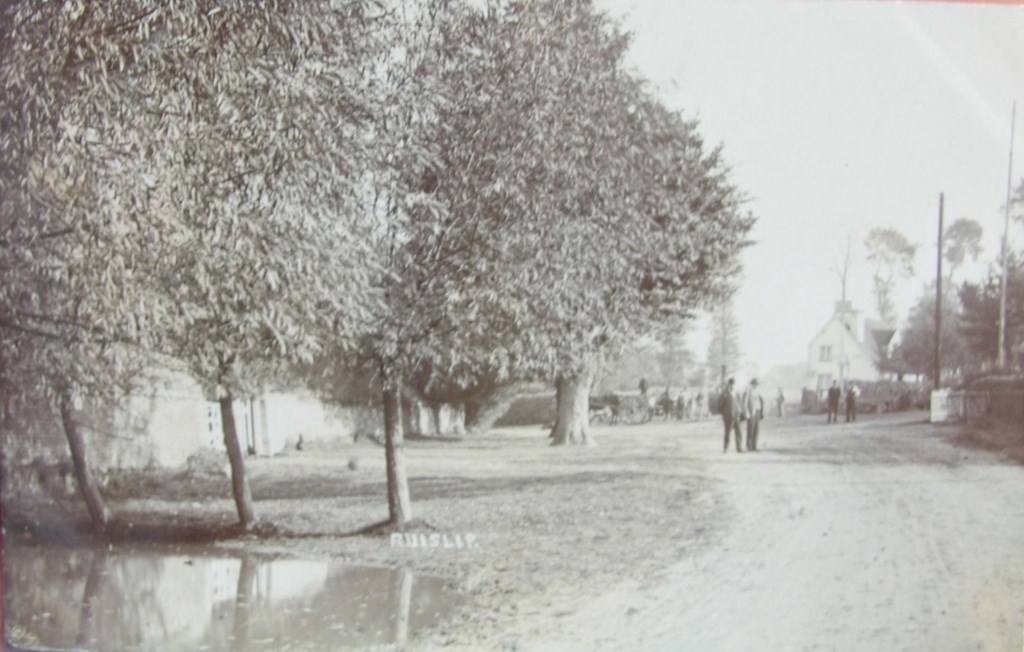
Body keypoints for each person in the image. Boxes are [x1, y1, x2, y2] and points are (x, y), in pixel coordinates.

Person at [718, 378, 743, 453]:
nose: (732, 386)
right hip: (728, 416)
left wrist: (740, 411)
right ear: (728, 384)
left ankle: (739, 447)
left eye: (733, 384)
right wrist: (725, 413)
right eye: (731, 384)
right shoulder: (724, 393)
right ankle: (726, 447)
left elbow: (740, 402)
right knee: (727, 432)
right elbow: (720, 405)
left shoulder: (737, 393)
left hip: (736, 415)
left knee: (738, 432)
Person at [743, 378, 765, 451]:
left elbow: (761, 400)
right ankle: (749, 446)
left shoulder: (758, 390)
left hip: (757, 410)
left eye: (757, 384)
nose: (756, 385)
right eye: (755, 383)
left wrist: (761, 411)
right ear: (752, 383)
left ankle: (754, 446)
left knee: (756, 429)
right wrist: (747, 412)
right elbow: (745, 402)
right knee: (750, 429)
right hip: (751, 411)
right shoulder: (748, 390)